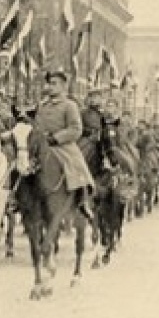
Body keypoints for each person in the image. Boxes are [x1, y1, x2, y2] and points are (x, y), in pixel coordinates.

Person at [32, 70, 95, 220]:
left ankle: (82, 201)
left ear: (63, 86)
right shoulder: (42, 105)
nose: (50, 87)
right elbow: (37, 125)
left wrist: (56, 138)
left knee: (77, 164)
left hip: (62, 146)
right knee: (20, 163)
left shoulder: (70, 105)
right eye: (49, 83)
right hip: (41, 145)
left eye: (54, 84)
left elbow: (76, 129)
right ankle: (15, 197)